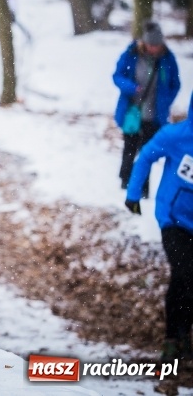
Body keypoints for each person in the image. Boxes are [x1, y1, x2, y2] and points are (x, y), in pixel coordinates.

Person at [125, 90, 193, 362]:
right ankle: (172, 339)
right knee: (185, 273)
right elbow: (145, 157)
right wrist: (133, 194)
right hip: (172, 219)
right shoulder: (176, 135)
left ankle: (182, 336)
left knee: (186, 279)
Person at [113, 20, 180, 197]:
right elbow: (117, 76)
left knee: (147, 153)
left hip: (155, 115)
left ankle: (143, 187)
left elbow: (175, 84)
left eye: (157, 45)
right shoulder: (131, 54)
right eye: (151, 45)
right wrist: (130, 87)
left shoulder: (168, 59)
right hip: (133, 111)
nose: (154, 48)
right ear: (144, 42)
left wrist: (165, 101)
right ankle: (125, 181)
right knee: (129, 147)